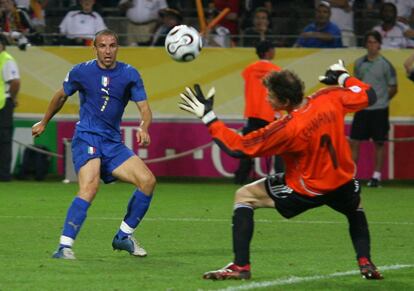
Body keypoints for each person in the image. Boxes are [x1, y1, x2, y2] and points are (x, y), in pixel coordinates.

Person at [178, 59, 383, 280]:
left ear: (285, 101)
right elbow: (368, 94)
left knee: (244, 196)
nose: (266, 98)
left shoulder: (287, 128)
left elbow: (238, 148)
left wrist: (208, 117)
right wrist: (342, 75)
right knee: (355, 209)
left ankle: (240, 266)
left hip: (308, 189)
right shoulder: (330, 97)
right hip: (343, 181)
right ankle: (365, 262)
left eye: (270, 96)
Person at [32, 29, 156, 259]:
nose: (108, 51)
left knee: (147, 181)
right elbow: (61, 96)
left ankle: (123, 237)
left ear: (117, 48)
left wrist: (144, 126)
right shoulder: (81, 71)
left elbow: (145, 109)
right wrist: (44, 121)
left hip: (111, 142)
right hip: (87, 136)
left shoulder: (130, 74)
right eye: (102, 46)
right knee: (90, 187)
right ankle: (64, 246)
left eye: (112, 46)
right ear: (95, 48)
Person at [350, 31, 397, 187]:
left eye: (374, 42)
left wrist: (382, 100)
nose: (372, 45)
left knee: (379, 143)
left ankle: (376, 177)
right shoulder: (359, 63)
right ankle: (351, 177)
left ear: (379, 44)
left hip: (380, 110)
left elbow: (393, 87)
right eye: (369, 42)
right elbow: (355, 85)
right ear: (365, 45)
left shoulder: (385, 64)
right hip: (362, 108)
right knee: (354, 141)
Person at [234, 40, 282, 185]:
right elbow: (278, 93)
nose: (275, 51)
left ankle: (240, 178)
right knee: (279, 147)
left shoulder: (248, 70)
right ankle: (280, 176)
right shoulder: (276, 70)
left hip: (252, 113)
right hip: (269, 114)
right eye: (273, 49)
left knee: (248, 147)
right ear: (268, 51)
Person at [0, 34, 20, 182]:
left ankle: (4, 174)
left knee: (4, 140)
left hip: (4, 104)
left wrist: (11, 98)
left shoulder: (6, 59)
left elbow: (15, 82)